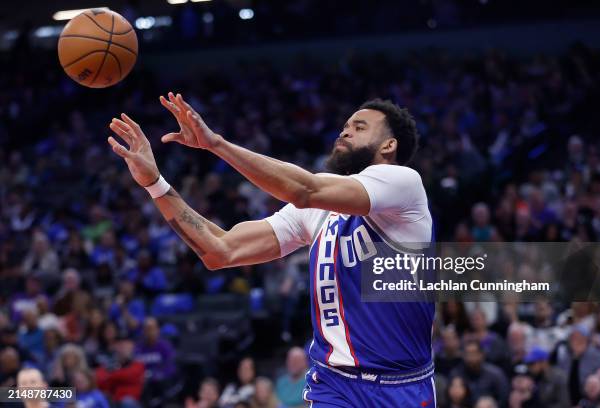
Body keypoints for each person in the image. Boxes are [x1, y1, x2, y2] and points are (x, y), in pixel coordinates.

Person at [108, 93, 434, 407]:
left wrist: (216, 144)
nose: (346, 130)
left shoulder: (403, 184)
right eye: (345, 125)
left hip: (399, 385)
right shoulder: (317, 211)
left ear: (389, 145)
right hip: (335, 384)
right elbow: (220, 250)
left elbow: (305, 189)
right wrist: (155, 184)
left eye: (360, 126)